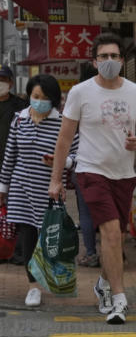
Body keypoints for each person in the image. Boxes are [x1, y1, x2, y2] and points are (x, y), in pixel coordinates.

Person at [48, 33, 136, 325]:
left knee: (117, 238)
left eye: (115, 56)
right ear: (94, 62)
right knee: (108, 232)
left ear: (123, 60)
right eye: (104, 57)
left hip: (124, 175)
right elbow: (64, 139)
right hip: (91, 172)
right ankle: (119, 299)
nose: (110, 61)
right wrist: (55, 180)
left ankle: (103, 284)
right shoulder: (81, 93)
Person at [0, 75, 78, 307]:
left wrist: (62, 162)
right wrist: (3, 187)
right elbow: (10, 156)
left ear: (53, 100)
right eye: (35, 97)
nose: (39, 102)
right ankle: (33, 286)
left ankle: (54, 278)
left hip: (49, 189)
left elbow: (76, 153)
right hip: (21, 188)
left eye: (45, 98)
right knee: (27, 237)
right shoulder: (19, 120)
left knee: (49, 237)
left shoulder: (62, 122)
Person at [2, 65, 31, 265]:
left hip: (15, 166)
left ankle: (19, 252)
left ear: (11, 82)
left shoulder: (21, 106)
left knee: (16, 210)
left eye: (3, 79)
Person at [74, 62, 100, 268]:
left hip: (83, 165)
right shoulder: (111, 97)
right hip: (112, 165)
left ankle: (91, 253)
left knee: (86, 212)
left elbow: (68, 137)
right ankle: (118, 252)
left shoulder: (78, 97)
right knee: (113, 212)